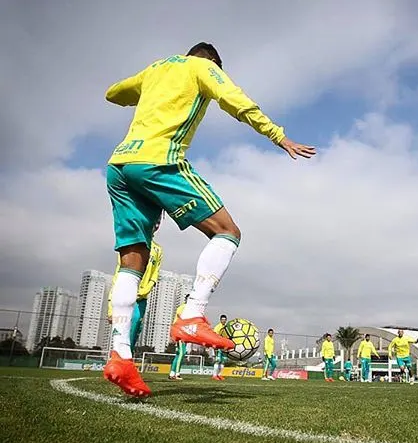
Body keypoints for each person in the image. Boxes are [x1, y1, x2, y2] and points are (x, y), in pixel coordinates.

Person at [102, 42, 315, 397]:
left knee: (132, 260)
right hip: (158, 162)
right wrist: (278, 136)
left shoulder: (156, 69)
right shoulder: (201, 67)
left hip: (119, 167)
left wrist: (145, 91)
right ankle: (192, 313)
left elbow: (114, 93)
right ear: (213, 62)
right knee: (228, 232)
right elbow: (235, 99)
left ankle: (121, 357)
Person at [106, 213, 163, 352]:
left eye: (158, 221)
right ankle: (119, 358)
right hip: (125, 293)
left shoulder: (158, 250)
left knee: (136, 325)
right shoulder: (133, 243)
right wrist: (110, 306)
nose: (155, 224)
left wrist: (144, 290)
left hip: (141, 297)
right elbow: (119, 273)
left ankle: (126, 359)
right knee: (123, 328)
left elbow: (155, 275)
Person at [168, 297, 188, 380]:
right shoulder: (183, 308)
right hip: (180, 332)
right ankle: (177, 374)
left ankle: (172, 373)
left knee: (178, 353)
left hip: (184, 332)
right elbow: (180, 319)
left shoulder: (187, 309)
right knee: (182, 353)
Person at [211, 314, 229, 381]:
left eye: (225, 320)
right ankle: (214, 375)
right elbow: (214, 336)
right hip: (218, 346)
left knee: (223, 361)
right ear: (220, 320)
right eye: (222, 319)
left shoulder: (226, 328)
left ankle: (219, 375)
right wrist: (215, 346)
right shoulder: (217, 327)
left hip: (224, 346)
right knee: (217, 360)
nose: (223, 321)